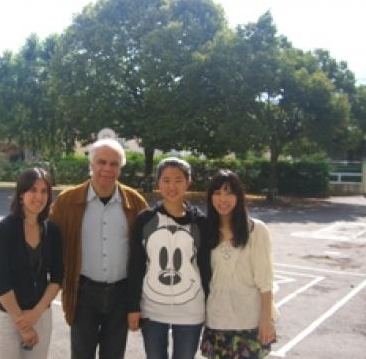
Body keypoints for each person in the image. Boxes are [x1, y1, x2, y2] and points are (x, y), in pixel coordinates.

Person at [49, 138, 148, 359]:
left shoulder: (136, 203)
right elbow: (45, 237)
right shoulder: (67, 201)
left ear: (120, 168)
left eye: (114, 164)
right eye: (101, 162)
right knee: (81, 354)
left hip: (121, 295)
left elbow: (148, 251)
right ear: (91, 164)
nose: (107, 169)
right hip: (82, 293)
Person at [127, 157, 211, 359]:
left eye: (178, 180)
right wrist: (132, 307)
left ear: (188, 182)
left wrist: (211, 307)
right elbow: (136, 266)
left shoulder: (200, 222)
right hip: (152, 310)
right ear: (158, 183)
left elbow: (207, 268)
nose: (172, 186)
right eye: (166, 180)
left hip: (191, 310)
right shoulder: (145, 219)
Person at [201, 169, 277, 359]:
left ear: (239, 196)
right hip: (216, 319)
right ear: (211, 197)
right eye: (217, 193)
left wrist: (266, 319)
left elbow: (265, 279)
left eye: (229, 193)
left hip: (249, 320)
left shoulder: (256, 230)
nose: (223, 199)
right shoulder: (204, 230)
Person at [0, 167, 63, 359]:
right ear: (21, 194)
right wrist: (22, 323)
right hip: (8, 317)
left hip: (40, 316)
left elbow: (57, 278)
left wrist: (35, 315)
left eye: (44, 191)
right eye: (32, 190)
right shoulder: (3, 231)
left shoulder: (52, 231)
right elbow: (1, 282)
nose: (39, 196)